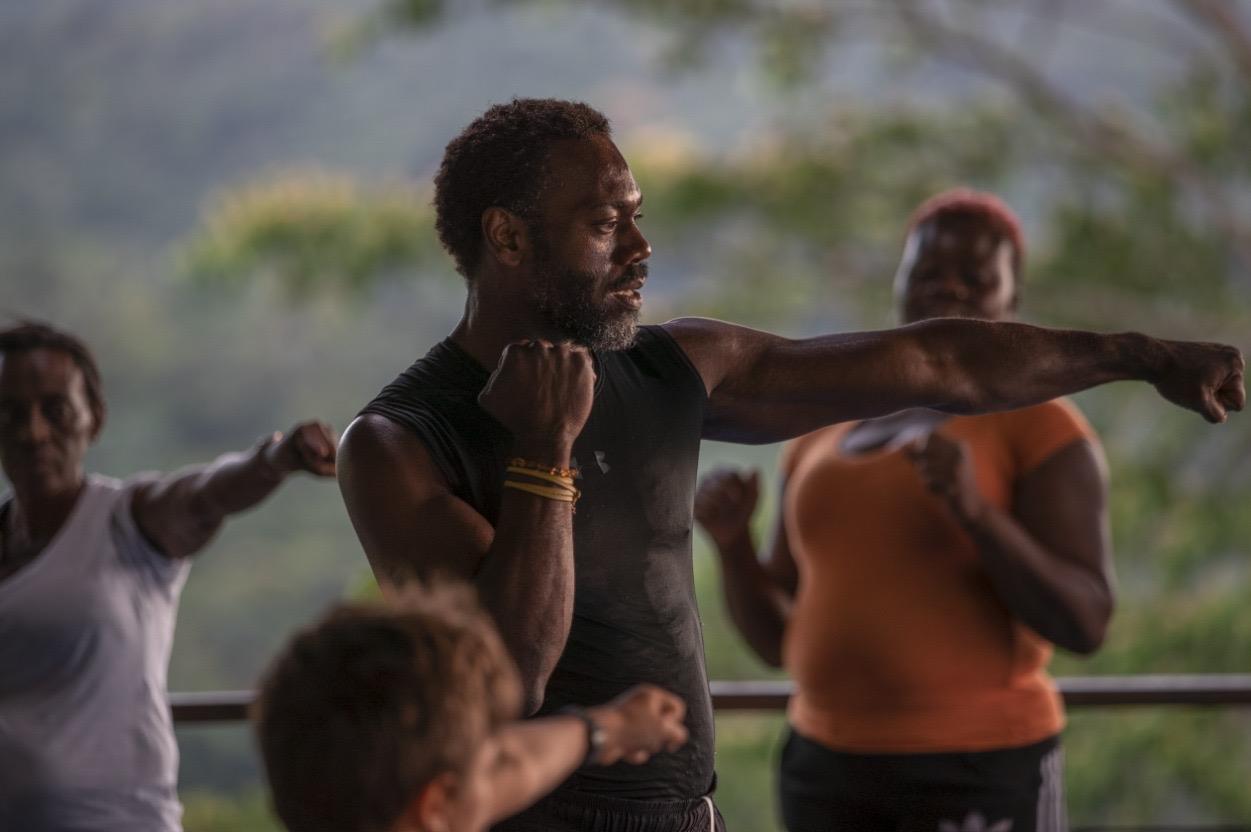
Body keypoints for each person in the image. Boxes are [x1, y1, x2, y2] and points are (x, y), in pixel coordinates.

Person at [336, 98, 1244, 832]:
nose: (642, 251)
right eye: (606, 223)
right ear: (506, 238)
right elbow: (509, 673)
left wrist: (1141, 354)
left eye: (639, 219)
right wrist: (545, 452)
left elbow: (941, 363)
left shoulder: (668, 369)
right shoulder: (397, 442)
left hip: (690, 815)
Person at [696, 189, 1111, 831]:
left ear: (1013, 298)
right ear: (900, 282)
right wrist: (733, 547)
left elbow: (1085, 623)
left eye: (974, 276)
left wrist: (976, 513)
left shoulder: (1042, 424)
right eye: (927, 272)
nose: (947, 289)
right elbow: (781, 641)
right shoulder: (822, 425)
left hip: (978, 764)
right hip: (825, 764)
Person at [0, 319, 337, 832]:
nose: (33, 432)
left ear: (94, 418)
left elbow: (208, 492)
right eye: (11, 413)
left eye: (55, 409)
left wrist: (276, 458)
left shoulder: (127, 522)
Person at [255, 583, 690, 832]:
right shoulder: (433, 800)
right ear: (437, 803)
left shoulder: (352, 791)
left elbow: (517, 763)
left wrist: (605, 729)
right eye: (491, 758)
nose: (505, 760)